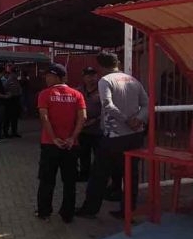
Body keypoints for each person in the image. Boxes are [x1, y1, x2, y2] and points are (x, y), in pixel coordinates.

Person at [77, 51, 148, 220]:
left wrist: (125, 120)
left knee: (99, 174)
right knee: (131, 174)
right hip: (135, 135)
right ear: (118, 64)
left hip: (114, 135)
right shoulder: (133, 80)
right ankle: (128, 211)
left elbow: (107, 105)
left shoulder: (105, 81)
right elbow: (147, 103)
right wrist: (138, 119)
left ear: (101, 67)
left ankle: (90, 209)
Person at [35, 63, 86, 223]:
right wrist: (72, 138)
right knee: (69, 181)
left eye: (48, 75)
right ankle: (67, 214)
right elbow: (82, 118)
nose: (46, 78)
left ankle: (44, 212)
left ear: (57, 76)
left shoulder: (45, 94)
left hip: (50, 145)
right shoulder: (77, 95)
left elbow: (44, 117)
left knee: (47, 180)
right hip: (71, 146)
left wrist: (54, 138)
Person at [77, 66, 102, 181]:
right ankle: (84, 174)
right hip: (83, 129)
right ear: (84, 78)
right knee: (83, 154)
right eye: (88, 76)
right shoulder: (78, 91)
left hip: (98, 130)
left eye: (93, 76)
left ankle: (98, 176)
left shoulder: (103, 90)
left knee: (99, 155)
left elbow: (107, 109)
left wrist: (95, 120)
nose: (91, 78)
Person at [3, 68, 22, 138]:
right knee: (8, 118)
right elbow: (4, 89)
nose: (17, 75)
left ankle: (14, 132)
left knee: (15, 117)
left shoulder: (17, 81)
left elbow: (20, 90)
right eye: (16, 73)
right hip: (10, 100)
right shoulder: (9, 81)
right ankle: (6, 132)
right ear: (13, 73)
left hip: (16, 100)